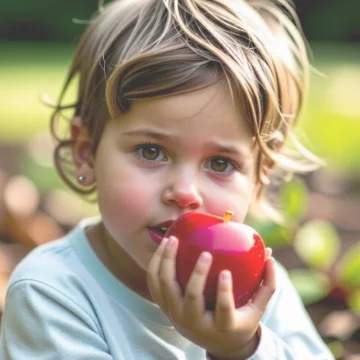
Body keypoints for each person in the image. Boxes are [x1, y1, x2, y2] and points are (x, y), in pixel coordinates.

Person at [0, 0, 335, 359]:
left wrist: (240, 349)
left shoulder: (262, 289)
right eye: (150, 152)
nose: (185, 193)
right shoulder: (52, 292)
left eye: (220, 163)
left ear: (258, 176)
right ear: (87, 152)